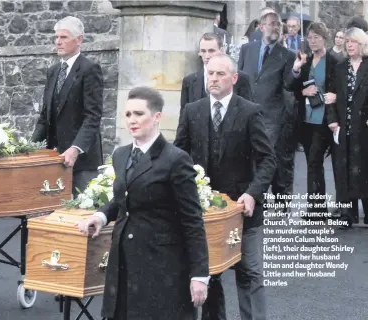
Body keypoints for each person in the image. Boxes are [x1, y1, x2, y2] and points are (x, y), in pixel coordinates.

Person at [78, 86, 210, 319]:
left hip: (161, 265)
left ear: (157, 117)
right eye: (128, 114)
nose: (132, 120)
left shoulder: (176, 159)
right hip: (123, 263)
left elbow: (192, 221)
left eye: (139, 114)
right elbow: (123, 198)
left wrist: (199, 275)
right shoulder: (121, 155)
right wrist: (100, 216)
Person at [175, 54, 276, 320]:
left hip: (243, 211)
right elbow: (179, 157)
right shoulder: (192, 111)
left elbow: (268, 159)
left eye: (220, 74)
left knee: (250, 272)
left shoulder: (249, 111)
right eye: (210, 74)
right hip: (204, 212)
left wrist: (253, 194)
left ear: (234, 78)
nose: (214, 79)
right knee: (208, 274)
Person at [31, 16, 104, 196]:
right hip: (53, 159)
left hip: (83, 162)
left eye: (63, 37)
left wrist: (75, 148)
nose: (58, 42)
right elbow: (44, 116)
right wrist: (30, 148)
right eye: (56, 37)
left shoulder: (90, 69)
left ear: (79, 40)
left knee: (81, 215)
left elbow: (92, 117)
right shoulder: (53, 72)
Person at [238, 11, 296, 212]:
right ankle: (255, 197)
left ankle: (281, 202)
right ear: (261, 27)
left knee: (272, 158)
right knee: (249, 157)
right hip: (247, 112)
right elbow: (240, 79)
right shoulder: (247, 50)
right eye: (272, 24)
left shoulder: (287, 55)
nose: (276, 28)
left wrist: (296, 70)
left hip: (273, 116)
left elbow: (289, 84)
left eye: (279, 25)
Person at [287, 22, 338, 220]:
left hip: (323, 119)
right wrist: (302, 88)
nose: (313, 41)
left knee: (315, 161)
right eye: (310, 38)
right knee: (311, 163)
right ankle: (317, 208)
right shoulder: (305, 61)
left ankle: (317, 210)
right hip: (306, 120)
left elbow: (338, 89)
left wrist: (332, 96)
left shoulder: (333, 61)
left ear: (325, 38)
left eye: (317, 37)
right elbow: (291, 86)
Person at [327, 27, 368, 228]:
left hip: (365, 127)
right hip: (344, 126)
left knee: (364, 169)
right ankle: (346, 214)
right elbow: (330, 95)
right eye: (347, 42)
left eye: (353, 42)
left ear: (362, 44)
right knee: (343, 170)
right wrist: (332, 120)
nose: (349, 45)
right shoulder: (340, 68)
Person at [180, 33, 253, 117]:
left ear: (222, 51)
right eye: (203, 51)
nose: (207, 56)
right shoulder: (189, 81)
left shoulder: (241, 78)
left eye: (211, 51)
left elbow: (249, 113)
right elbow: (183, 118)